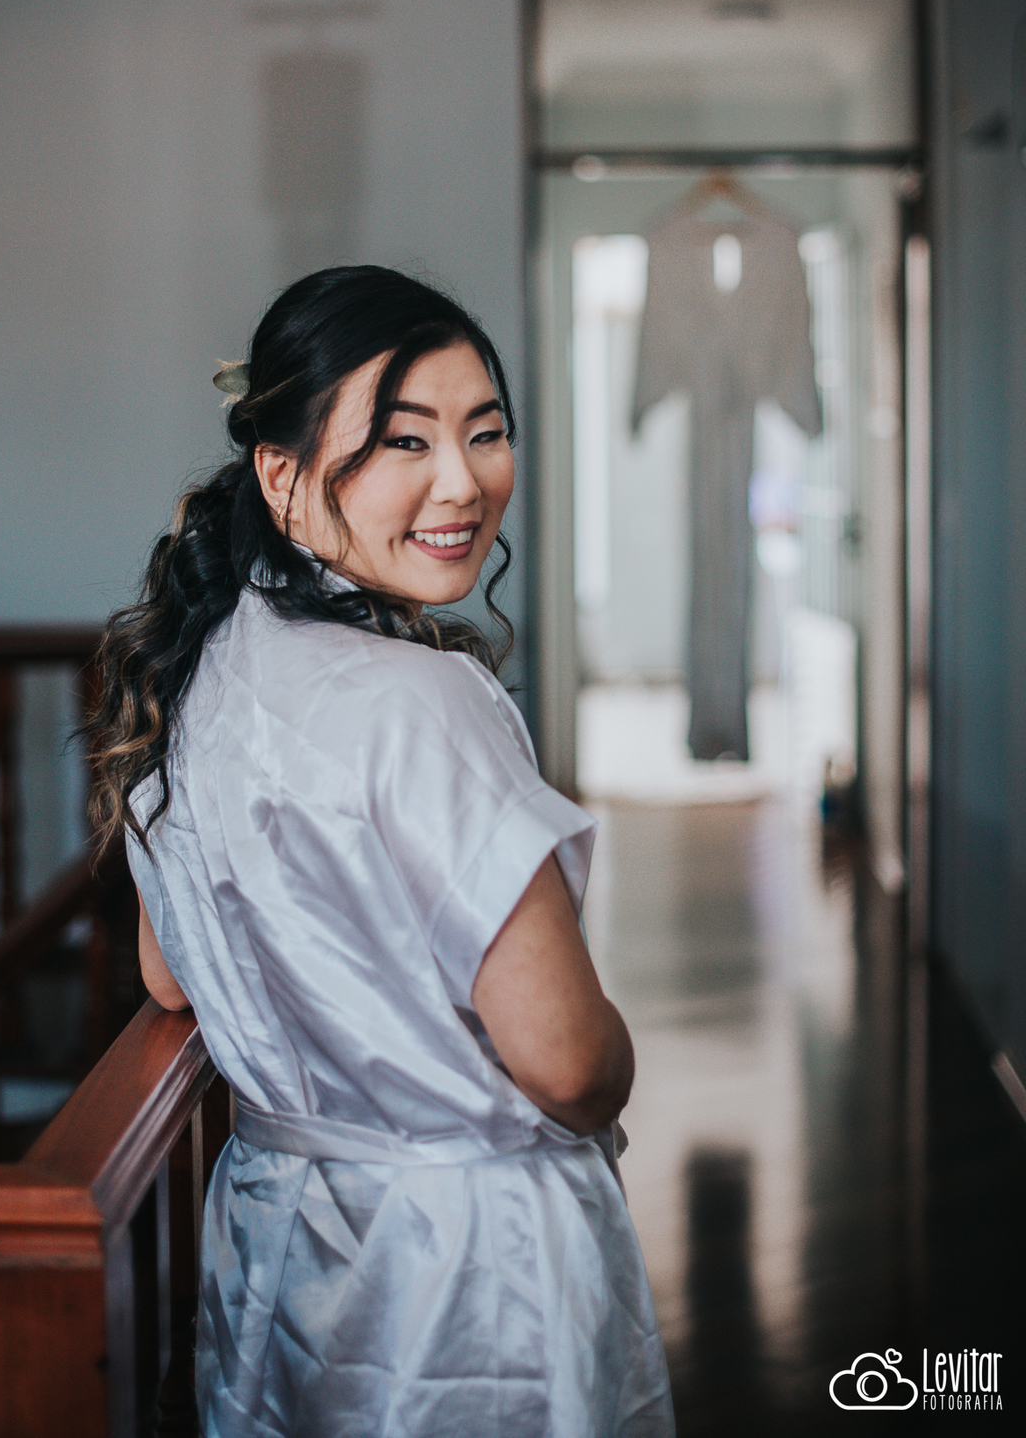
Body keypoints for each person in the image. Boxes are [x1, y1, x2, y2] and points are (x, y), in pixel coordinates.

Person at [88, 265, 674, 1436]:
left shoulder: (203, 668)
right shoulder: (426, 702)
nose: (464, 480)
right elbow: (564, 1060)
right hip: (466, 1266)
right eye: (404, 441)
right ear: (283, 472)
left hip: (287, 1234)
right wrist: (614, 1064)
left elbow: (168, 974)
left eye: (486, 431)